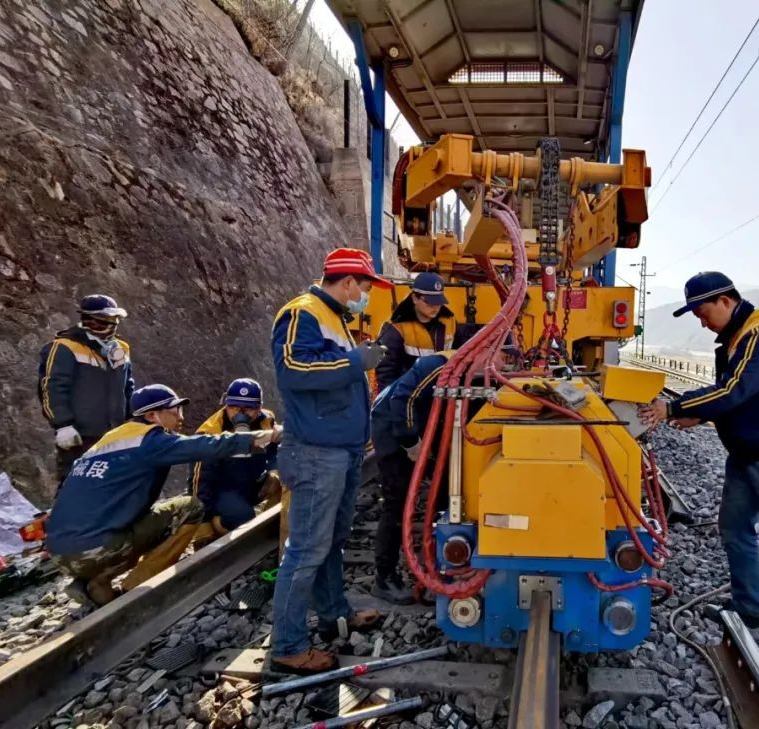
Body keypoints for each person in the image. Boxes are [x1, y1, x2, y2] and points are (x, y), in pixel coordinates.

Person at [639, 271, 759, 689]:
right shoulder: (735, 338)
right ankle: (748, 610)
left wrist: (673, 408)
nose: (700, 320)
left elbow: (736, 390)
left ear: (725, 301)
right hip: (748, 455)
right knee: (735, 529)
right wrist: (699, 413)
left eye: (702, 311)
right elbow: (733, 397)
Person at [270, 247, 391, 675]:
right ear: (347, 283)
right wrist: (355, 361)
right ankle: (286, 645)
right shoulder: (301, 313)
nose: (367, 296)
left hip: (340, 450)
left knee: (331, 541)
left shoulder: (335, 318)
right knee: (306, 549)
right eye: (367, 287)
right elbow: (293, 372)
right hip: (316, 451)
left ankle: (334, 614)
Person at [45, 384, 279, 607]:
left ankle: (92, 580)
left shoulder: (108, 441)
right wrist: (265, 437)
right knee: (190, 508)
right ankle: (134, 589)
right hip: (97, 548)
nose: (181, 418)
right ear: (152, 416)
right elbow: (207, 445)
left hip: (59, 554)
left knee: (147, 519)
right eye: (175, 411)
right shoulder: (150, 440)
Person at [369, 335, 519, 604]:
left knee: (444, 498)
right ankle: (385, 578)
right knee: (399, 501)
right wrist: (410, 443)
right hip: (394, 427)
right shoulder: (439, 366)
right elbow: (402, 399)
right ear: (483, 350)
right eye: (502, 358)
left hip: (431, 431)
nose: (503, 366)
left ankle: (438, 569)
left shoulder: (482, 374)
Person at [38, 295, 135, 489]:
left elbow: (128, 386)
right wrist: (62, 425)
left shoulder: (120, 348)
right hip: (80, 435)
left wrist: (133, 418)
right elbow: (52, 387)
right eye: (105, 320)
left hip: (115, 432)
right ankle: (63, 518)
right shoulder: (64, 347)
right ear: (88, 320)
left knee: (112, 484)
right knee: (74, 484)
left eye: (114, 320)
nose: (111, 325)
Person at [188, 378, 281, 541]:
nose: (240, 415)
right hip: (224, 490)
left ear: (259, 408)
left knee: (289, 483)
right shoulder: (210, 433)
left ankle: (272, 527)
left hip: (253, 481)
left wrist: (274, 470)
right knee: (244, 519)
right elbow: (200, 479)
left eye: (247, 409)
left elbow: (275, 449)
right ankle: (216, 525)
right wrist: (202, 517)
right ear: (226, 405)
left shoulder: (267, 420)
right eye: (234, 407)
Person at [375, 272, 458, 391]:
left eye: (438, 302)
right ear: (415, 298)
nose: (435, 307)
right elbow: (386, 373)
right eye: (429, 302)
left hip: (441, 394)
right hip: (408, 395)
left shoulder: (450, 321)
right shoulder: (396, 328)